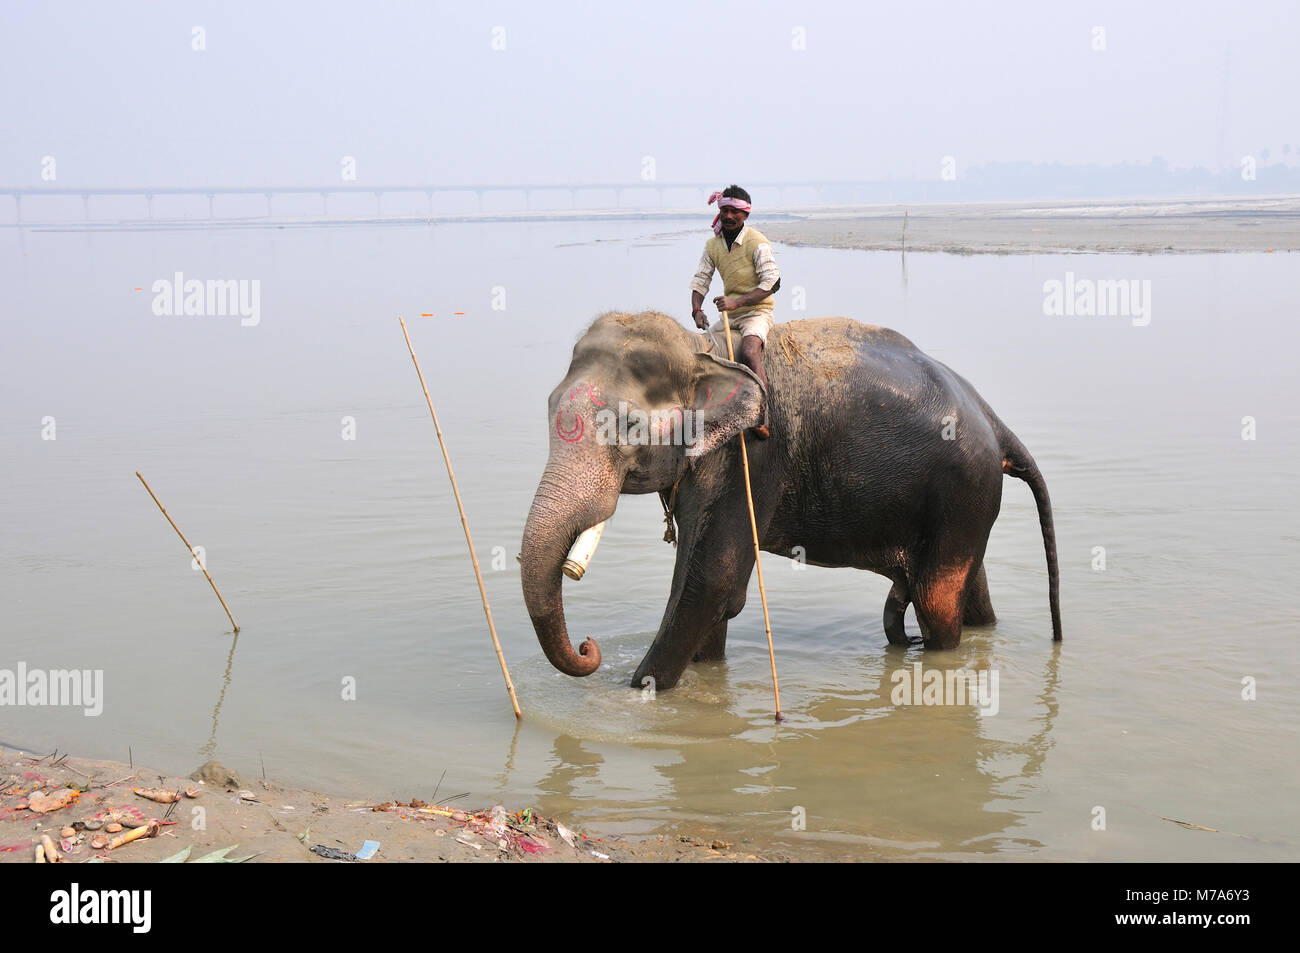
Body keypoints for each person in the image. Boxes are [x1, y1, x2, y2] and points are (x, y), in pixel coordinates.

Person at [688, 184, 779, 439]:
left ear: (745, 215)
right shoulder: (713, 245)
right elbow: (700, 280)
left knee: (749, 352)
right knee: (698, 352)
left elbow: (772, 283)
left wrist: (737, 303)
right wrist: (697, 309)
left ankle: (763, 415)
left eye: (734, 212)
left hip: (756, 312)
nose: (728, 216)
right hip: (730, 316)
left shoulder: (757, 243)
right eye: (724, 210)